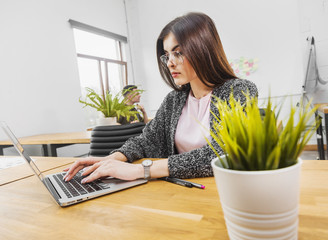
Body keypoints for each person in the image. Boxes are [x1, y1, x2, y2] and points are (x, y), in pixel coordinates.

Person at [64, 12, 258, 183]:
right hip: (178, 192)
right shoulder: (174, 100)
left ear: (203, 49)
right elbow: (147, 139)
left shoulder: (239, 91)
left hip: (220, 193)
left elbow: (224, 153)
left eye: (178, 52)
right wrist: (114, 158)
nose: (170, 63)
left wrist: (141, 170)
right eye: (167, 55)